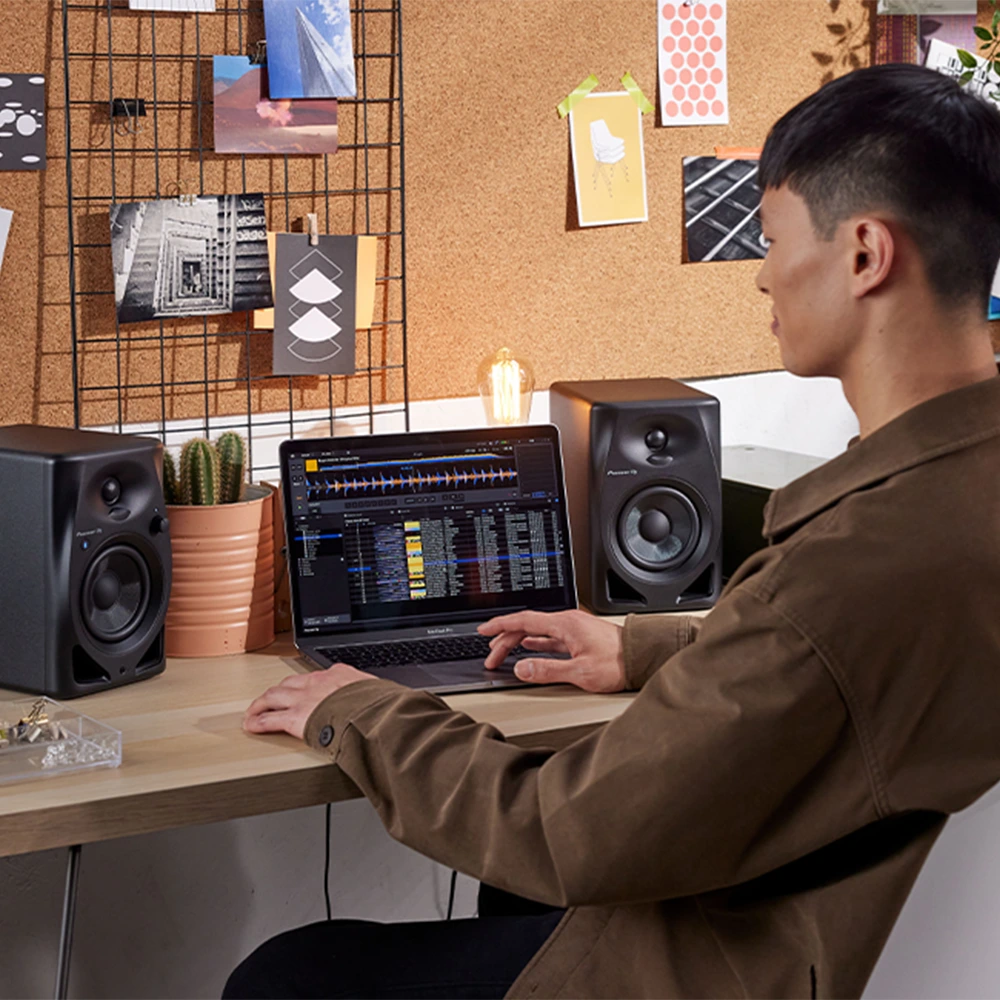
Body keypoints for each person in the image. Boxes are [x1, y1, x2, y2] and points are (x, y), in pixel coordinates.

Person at [225, 63, 1000, 999]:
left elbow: (564, 834)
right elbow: (851, 663)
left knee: (289, 974)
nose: (762, 275)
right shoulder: (957, 497)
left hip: (699, 962)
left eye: (771, 239)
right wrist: (640, 647)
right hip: (813, 944)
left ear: (866, 254)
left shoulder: (844, 565)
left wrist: (361, 710)